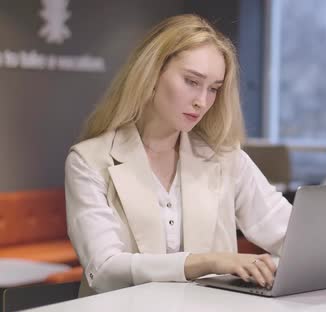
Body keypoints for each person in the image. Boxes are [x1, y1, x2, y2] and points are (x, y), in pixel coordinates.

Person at [65, 14, 292, 296]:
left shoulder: (225, 158)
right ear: (151, 74)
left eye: (213, 89)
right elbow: (103, 270)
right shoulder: (89, 161)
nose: (202, 101)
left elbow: (288, 232)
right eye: (191, 81)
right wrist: (206, 261)